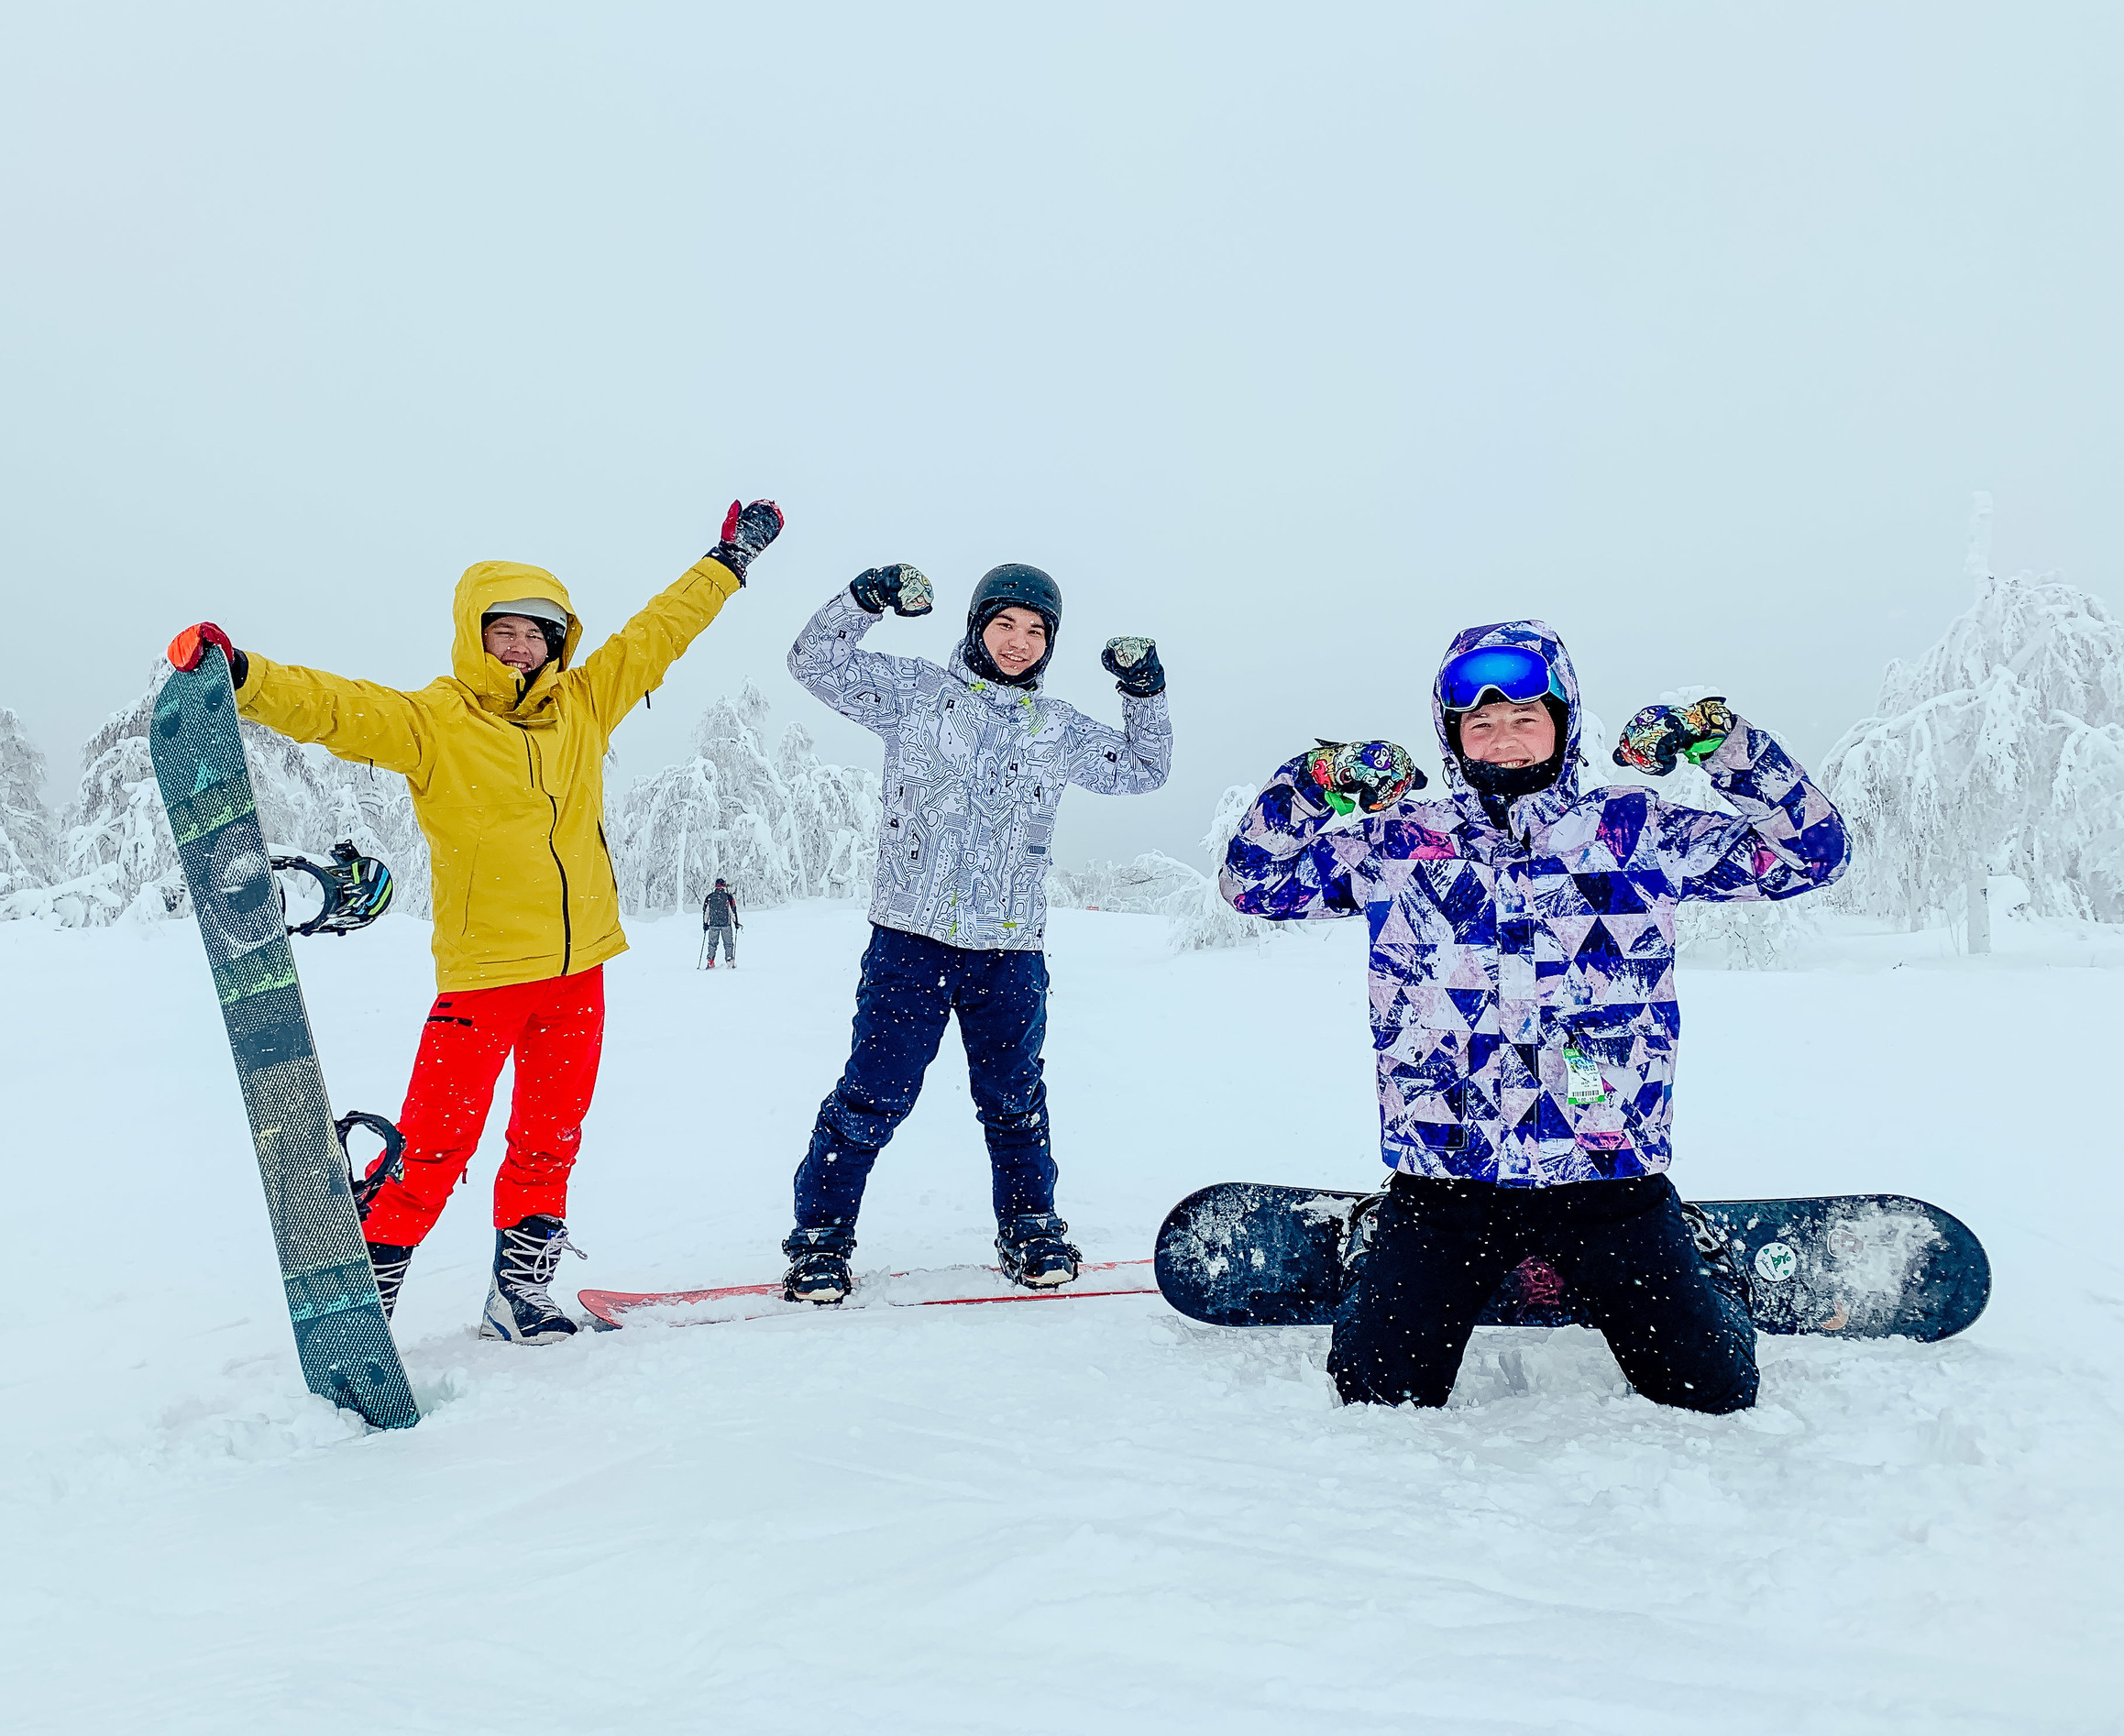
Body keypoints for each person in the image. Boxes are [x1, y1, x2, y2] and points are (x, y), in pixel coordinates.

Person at [167, 500, 782, 1343]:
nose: (525, 646)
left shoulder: (585, 706)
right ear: (475, 634)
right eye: (508, 631)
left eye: (541, 633)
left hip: (579, 971)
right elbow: (338, 708)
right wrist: (243, 676)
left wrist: (728, 562)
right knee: (433, 1147)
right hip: (485, 976)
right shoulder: (436, 723)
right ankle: (371, 1292)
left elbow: (656, 634)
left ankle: (518, 1291)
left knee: (549, 1139)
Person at [1219, 620, 1848, 1412]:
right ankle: (1380, 1248)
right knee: (1376, 1393)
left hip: (1602, 1165)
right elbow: (1252, 883)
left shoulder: (1636, 832)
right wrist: (1318, 779)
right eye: (1479, 724)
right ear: (1454, 739)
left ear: (1563, 724)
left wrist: (1721, 744)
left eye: (1524, 718)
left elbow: (1813, 853)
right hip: (1446, 1175)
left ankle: (1695, 1261)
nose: (1503, 739)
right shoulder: (1400, 844)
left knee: (1711, 1390)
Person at [778, 560, 1173, 1302]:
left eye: (1035, 632)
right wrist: (864, 600)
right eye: (1005, 625)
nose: (1019, 643)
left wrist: (1144, 692)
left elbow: (1145, 769)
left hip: (1009, 950)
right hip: (910, 941)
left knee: (1015, 1101)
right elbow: (814, 662)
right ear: (977, 625)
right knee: (872, 1097)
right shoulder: (915, 695)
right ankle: (820, 1241)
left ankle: (1031, 1230)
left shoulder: (1056, 731)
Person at [701, 877, 741, 969]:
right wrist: (736, 922)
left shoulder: (710, 897)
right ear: (724, 886)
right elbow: (732, 911)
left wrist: (705, 923)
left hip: (713, 924)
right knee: (728, 943)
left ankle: (710, 961)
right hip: (726, 924)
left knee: (712, 943)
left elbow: (706, 911)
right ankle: (730, 961)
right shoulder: (728, 897)